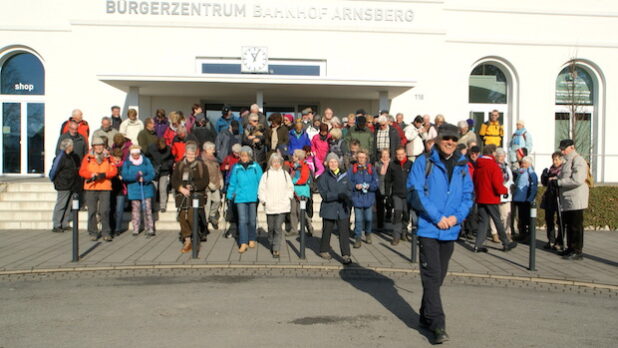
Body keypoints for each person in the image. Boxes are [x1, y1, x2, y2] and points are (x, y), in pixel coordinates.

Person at [407, 123, 474, 344]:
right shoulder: (423, 162)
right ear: (437, 139)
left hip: (451, 229)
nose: (450, 142)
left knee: (438, 277)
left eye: (454, 140)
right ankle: (438, 325)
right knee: (432, 276)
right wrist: (438, 218)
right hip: (429, 228)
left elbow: (468, 196)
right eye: (446, 138)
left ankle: (425, 315)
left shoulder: (463, 165)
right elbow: (415, 193)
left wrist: (456, 218)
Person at [472, 144, 518, 253]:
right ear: (492, 153)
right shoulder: (493, 166)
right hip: (491, 198)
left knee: (483, 221)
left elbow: (474, 181)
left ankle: (477, 245)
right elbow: (497, 185)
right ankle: (506, 243)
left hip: (480, 197)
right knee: (497, 220)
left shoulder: (478, 165)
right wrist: (505, 190)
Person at [551, 139, 588, 260]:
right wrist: (554, 179)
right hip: (567, 198)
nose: (562, 151)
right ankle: (570, 248)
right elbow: (564, 175)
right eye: (561, 148)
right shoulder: (567, 161)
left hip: (576, 198)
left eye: (564, 148)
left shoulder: (578, 160)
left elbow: (578, 179)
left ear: (571, 147)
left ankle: (577, 250)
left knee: (576, 226)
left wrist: (560, 182)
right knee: (568, 224)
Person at [172, 142, 209, 253]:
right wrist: (181, 188)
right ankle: (187, 239)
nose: (190, 156)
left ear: (196, 154)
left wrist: (193, 186)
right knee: (182, 217)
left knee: (193, 216)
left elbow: (205, 181)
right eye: (188, 154)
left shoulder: (201, 165)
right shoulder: (179, 165)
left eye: (192, 154)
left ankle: (196, 239)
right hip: (182, 195)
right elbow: (174, 180)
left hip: (196, 195)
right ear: (185, 153)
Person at [79, 137, 118, 241]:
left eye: (101, 145)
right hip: (91, 187)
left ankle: (106, 232)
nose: (99, 147)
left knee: (104, 211)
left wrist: (104, 174)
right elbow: (82, 171)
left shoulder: (109, 157)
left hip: (105, 187)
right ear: (93, 146)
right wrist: (91, 175)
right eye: (97, 145)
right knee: (92, 211)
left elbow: (114, 171)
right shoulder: (87, 157)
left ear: (104, 146)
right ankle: (93, 232)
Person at [317, 153, 353, 264]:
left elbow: (350, 190)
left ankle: (346, 255)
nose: (333, 164)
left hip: (342, 209)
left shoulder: (345, 176)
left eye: (335, 162)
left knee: (344, 232)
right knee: (327, 231)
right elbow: (324, 195)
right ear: (327, 163)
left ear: (338, 163)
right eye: (331, 162)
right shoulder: (323, 177)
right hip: (329, 208)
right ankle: (324, 250)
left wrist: (347, 197)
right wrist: (337, 195)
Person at [226, 146, 263, 253]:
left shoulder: (256, 167)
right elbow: (233, 182)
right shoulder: (236, 167)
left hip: (253, 197)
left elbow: (261, 182)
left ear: (250, 156)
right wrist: (229, 195)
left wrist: (262, 194)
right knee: (242, 220)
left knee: (252, 220)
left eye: (246, 155)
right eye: (242, 155)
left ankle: (252, 238)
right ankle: (243, 242)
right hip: (240, 197)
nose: (244, 157)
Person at [258, 153, 294, 258]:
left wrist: (289, 197)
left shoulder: (285, 174)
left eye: (278, 162)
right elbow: (261, 189)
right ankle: (271, 241)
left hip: (282, 205)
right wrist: (263, 200)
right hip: (270, 205)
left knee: (278, 227)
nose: (276, 164)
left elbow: (290, 187)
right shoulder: (266, 175)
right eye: (274, 162)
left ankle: (276, 248)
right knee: (271, 227)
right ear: (271, 163)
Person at [122, 145, 156, 237]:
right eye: (134, 154)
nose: (136, 156)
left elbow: (152, 173)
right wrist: (135, 177)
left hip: (146, 188)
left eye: (137, 154)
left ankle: (149, 228)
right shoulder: (127, 163)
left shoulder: (145, 161)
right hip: (133, 189)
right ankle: (136, 228)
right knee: (135, 209)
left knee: (147, 208)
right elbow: (125, 176)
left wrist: (144, 179)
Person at [348, 149, 378, 248]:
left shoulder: (371, 169)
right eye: (359, 157)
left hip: (368, 198)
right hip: (357, 198)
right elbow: (348, 183)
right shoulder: (352, 169)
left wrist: (369, 186)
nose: (361, 159)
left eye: (363, 157)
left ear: (366, 158)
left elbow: (376, 183)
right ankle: (357, 238)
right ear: (356, 158)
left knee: (369, 219)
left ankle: (368, 233)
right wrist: (355, 186)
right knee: (358, 219)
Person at [49, 139, 82, 232]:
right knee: (61, 204)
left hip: (71, 184)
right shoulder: (61, 157)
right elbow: (54, 170)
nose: (73, 147)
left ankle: (64, 223)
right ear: (68, 147)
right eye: (71, 145)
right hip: (63, 184)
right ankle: (56, 224)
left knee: (68, 205)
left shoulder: (70, 156)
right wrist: (53, 179)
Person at [385, 146, 414, 245]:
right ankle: (396, 236)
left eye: (402, 154)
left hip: (408, 194)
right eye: (398, 154)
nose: (400, 156)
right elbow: (387, 180)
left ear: (405, 154)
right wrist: (387, 194)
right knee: (397, 214)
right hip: (396, 194)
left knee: (406, 214)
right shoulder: (392, 164)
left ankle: (404, 232)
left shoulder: (411, 164)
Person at [286, 149, 314, 237]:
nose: (292, 157)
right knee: (293, 211)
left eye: (294, 156)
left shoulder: (304, 167)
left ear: (298, 157)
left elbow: (304, 179)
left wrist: (293, 182)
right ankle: (294, 229)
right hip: (293, 191)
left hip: (302, 192)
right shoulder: (293, 166)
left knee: (300, 211)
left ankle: (309, 227)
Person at [489, 148, 514, 243]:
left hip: (506, 193)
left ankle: (507, 233)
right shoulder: (493, 166)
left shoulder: (506, 167)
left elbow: (510, 178)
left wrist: (510, 185)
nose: (502, 158)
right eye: (500, 156)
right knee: (495, 214)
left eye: (503, 156)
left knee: (507, 214)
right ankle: (494, 233)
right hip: (496, 193)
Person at [540, 152, 565, 251]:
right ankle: (551, 240)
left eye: (557, 160)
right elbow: (545, 183)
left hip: (558, 197)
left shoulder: (563, 170)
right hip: (549, 197)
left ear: (561, 160)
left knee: (560, 221)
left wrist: (555, 179)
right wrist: (544, 177)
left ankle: (560, 242)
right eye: (553, 160)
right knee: (549, 219)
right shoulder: (551, 169)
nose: (554, 162)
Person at [512, 156, 538, 244]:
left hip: (526, 199)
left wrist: (530, 198)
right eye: (522, 163)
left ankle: (529, 236)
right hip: (519, 198)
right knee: (521, 218)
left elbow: (534, 187)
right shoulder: (521, 172)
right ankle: (522, 234)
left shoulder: (531, 173)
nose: (522, 164)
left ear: (529, 164)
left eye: (524, 163)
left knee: (528, 218)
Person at [146, 138, 173, 212]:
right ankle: (152, 206)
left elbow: (171, 159)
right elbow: (147, 158)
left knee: (163, 188)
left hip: (164, 170)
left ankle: (163, 206)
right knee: (153, 189)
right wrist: (151, 167)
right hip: (154, 170)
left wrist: (168, 165)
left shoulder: (168, 149)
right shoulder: (151, 148)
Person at [221, 143, 242, 239]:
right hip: (231, 186)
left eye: (238, 152)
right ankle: (233, 229)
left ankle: (238, 229)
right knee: (232, 209)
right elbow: (222, 168)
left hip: (240, 189)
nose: (236, 154)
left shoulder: (242, 160)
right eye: (235, 152)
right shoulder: (228, 158)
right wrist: (225, 167)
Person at [201, 142, 223, 230]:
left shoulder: (214, 159)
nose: (213, 151)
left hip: (215, 183)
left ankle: (212, 215)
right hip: (206, 186)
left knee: (217, 200)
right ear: (206, 149)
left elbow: (218, 170)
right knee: (207, 204)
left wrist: (221, 179)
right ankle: (205, 222)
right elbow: (201, 173)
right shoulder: (202, 159)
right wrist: (208, 182)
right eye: (211, 149)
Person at [109, 148, 127, 235]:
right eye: (116, 157)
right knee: (111, 209)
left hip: (120, 190)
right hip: (111, 190)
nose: (117, 159)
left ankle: (117, 228)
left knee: (119, 210)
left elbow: (126, 175)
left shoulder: (123, 165)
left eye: (119, 157)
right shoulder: (110, 165)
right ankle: (111, 227)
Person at [375, 148, 391, 233]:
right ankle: (380, 225)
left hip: (389, 187)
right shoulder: (377, 164)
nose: (385, 156)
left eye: (386, 154)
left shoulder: (392, 163)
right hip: (380, 186)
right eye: (383, 154)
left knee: (389, 204)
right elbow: (379, 174)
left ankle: (388, 217)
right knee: (380, 206)